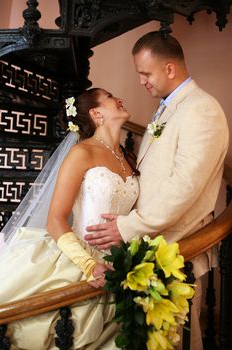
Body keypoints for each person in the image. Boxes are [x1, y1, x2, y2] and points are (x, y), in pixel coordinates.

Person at [85, 32, 229, 349]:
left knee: (178, 341)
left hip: (177, 251)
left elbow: (184, 187)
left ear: (169, 69)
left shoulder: (201, 109)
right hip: (151, 247)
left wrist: (127, 226)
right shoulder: (167, 108)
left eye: (145, 73)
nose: (141, 81)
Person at [0, 88, 139, 350]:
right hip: (80, 257)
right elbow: (55, 219)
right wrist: (88, 265)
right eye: (110, 97)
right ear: (96, 113)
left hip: (121, 262)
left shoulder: (128, 157)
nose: (120, 98)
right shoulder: (81, 153)